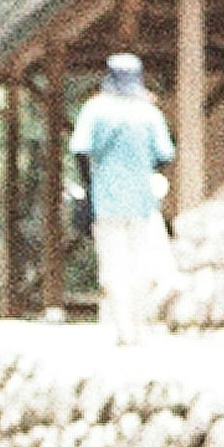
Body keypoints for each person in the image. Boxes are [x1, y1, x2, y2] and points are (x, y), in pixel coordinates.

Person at [69, 55, 178, 332]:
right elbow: (165, 154)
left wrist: (89, 185)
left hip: (106, 199)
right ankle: (140, 325)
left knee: (113, 264)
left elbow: (80, 149)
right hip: (142, 201)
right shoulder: (148, 112)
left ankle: (123, 328)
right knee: (140, 264)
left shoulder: (95, 109)